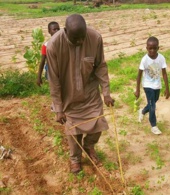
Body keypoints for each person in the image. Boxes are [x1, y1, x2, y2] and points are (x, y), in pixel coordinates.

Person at [46, 14, 114, 174]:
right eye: (75, 39)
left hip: (89, 92)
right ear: (65, 31)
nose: (80, 42)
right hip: (68, 95)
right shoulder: (54, 45)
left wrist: (106, 93)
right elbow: (53, 79)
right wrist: (59, 108)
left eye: (82, 37)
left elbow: (101, 66)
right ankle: (75, 159)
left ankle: (89, 146)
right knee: (73, 130)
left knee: (98, 123)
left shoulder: (95, 38)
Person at [134, 36, 170, 135]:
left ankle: (142, 111)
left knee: (153, 101)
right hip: (147, 85)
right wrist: (138, 90)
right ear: (147, 48)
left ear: (158, 48)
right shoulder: (144, 60)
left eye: (155, 48)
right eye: (150, 48)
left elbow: (164, 73)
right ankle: (154, 126)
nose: (152, 50)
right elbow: (139, 75)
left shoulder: (161, 58)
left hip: (157, 85)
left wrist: (167, 89)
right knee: (152, 106)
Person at [36, 21, 60, 86]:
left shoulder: (64, 43)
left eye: (58, 29)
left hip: (63, 69)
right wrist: (39, 76)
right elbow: (42, 61)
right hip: (51, 70)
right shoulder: (46, 45)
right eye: (54, 29)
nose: (57, 31)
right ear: (49, 31)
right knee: (55, 88)